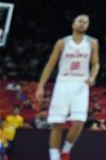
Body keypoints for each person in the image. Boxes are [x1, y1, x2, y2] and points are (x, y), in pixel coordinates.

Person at [34, 13, 100, 160]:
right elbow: (50, 65)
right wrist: (40, 87)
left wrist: (92, 77)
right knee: (57, 124)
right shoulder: (62, 42)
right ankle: (54, 156)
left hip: (81, 84)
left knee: (79, 122)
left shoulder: (93, 43)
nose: (83, 23)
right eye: (80, 21)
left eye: (86, 22)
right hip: (63, 83)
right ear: (73, 24)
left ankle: (66, 151)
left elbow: (95, 64)